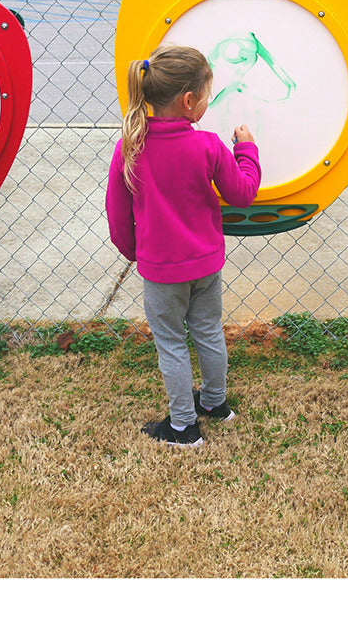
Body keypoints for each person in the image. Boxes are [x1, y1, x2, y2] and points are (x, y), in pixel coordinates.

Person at [105, 45, 261, 447]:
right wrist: (246, 149)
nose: (208, 104)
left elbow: (118, 216)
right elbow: (242, 193)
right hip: (206, 265)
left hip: (161, 270)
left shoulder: (130, 147)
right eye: (208, 96)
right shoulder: (208, 146)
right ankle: (214, 404)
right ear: (189, 102)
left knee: (171, 343)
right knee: (208, 331)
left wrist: (135, 253)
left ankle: (182, 427)